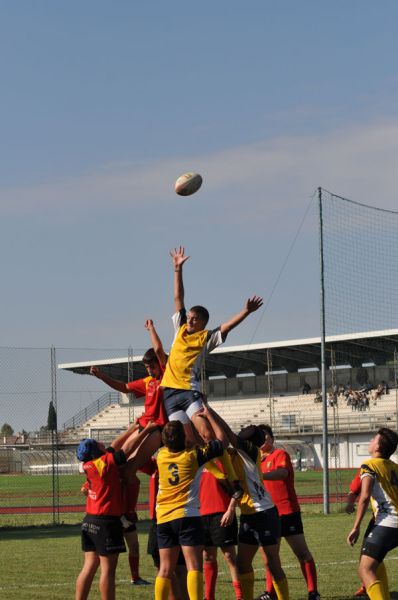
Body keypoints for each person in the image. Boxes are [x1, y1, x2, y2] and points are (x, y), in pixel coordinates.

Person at [160, 246, 263, 497]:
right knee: (186, 443)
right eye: (189, 317)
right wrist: (177, 269)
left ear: (203, 323)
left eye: (195, 319)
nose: (190, 321)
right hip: (169, 393)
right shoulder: (180, 328)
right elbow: (178, 298)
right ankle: (221, 480)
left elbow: (227, 327)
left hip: (188, 391)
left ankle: (233, 480)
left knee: (207, 436)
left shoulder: (207, 338)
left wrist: (246, 312)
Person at [204, 404, 289, 600]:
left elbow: (226, 432)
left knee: (273, 564)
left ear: (248, 441)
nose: (238, 437)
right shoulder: (236, 453)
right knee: (243, 564)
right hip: (249, 517)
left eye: (242, 436)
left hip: (265, 513)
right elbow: (220, 440)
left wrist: (208, 411)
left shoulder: (250, 450)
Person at [75, 421, 157, 600]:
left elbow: (114, 446)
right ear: (96, 452)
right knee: (108, 571)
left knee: (88, 567)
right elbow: (124, 450)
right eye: (97, 444)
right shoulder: (104, 464)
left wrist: (134, 428)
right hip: (106, 522)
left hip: (89, 520)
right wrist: (146, 432)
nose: (102, 444)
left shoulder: (92, 465)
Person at [155, 419, 228, 600]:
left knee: (164, 569)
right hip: (187, 515)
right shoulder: (193, 455)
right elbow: (221, 443)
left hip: (163, 517)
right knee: (193, 566)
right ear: (184, 437)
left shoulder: (161, 456)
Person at [90, 319, 167, 472]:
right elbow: (125, 387)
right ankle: (102, 470)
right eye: (147, 367)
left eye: (153, 366)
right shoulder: (148, 381)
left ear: (160, 364)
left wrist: (151, 328)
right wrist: (102, 376)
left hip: (158, 429)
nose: (150, 370)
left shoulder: (167, 376)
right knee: (121, 460)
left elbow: (158, 349)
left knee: (130, 467)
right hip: (144, 424)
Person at [258, 425, 320, 600]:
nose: (263, 440)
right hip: (268, 515)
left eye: (265, 436)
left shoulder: (280, 454)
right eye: (259, 437)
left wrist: (261, 475)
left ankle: (313, 591)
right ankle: (270, 593)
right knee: (270, 557)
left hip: (287, 511)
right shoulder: (256, 460)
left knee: (302, 553)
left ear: (272, 438)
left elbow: (283, 472)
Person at [347, 427, 398, 600]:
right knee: (373, 561)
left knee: (365, 569)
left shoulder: (369, 465)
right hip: (390, 523)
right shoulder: (394, 466)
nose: (370, 441)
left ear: (378, 448)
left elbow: (365, 496)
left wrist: (355, 527)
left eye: (373, 439)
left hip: (387, 523)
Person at [200, 461, 242, 600]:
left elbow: (237, 488)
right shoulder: (196, 459)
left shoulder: (223, 459)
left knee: (229, 557)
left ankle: (239, 596)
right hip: (201, 514)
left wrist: (230, 509)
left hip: (222, 513)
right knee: (208, 557)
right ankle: (209, 597)